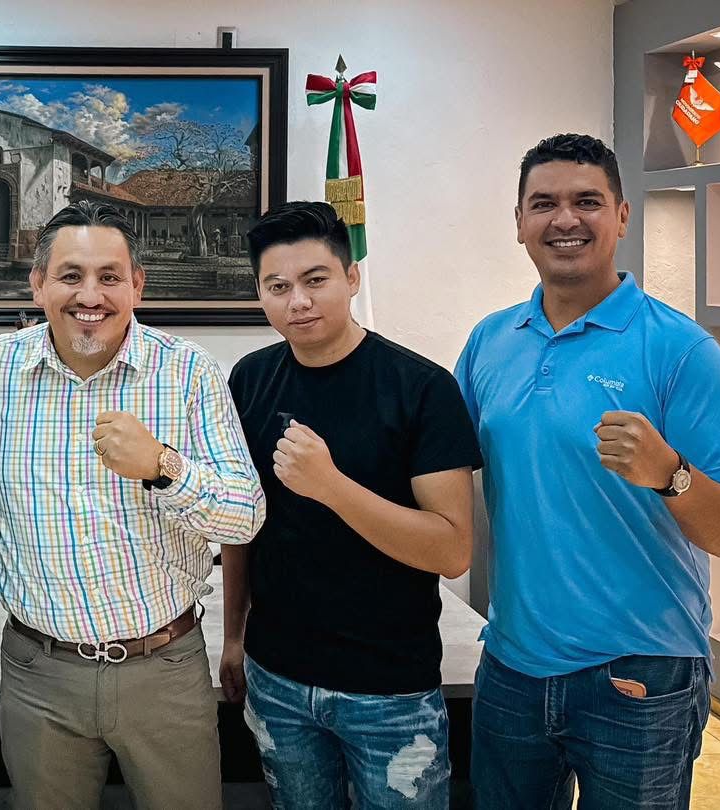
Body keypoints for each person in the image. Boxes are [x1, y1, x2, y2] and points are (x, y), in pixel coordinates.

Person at [457, 133, 720, 808]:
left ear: (622, 216)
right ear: (519, 222)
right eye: (544, 203)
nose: (564, 219)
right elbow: (441, 472)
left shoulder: (680, 349)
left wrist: (671, 473)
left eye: (587, 201)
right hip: (511, 667)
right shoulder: (490, 341)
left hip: (640, 678)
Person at [0, 200, 265, 810]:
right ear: (38, 284)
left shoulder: (188, 372)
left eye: (109, 276)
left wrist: (163, 468)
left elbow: (245, 516)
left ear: (137, 286)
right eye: (70, 276)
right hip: (38, 672)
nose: (90, 295)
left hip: (165, 668)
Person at [221, 201, 482, 808]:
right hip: (278, 678)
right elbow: (241, 522)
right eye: (277, 287)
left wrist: (331, 486)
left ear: (352, 277)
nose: (299, 301)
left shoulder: (421, 388)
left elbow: (452, 550)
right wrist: (234, 636)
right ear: (259, 293)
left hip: (389, 687)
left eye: (315, 280)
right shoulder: (249, 380)